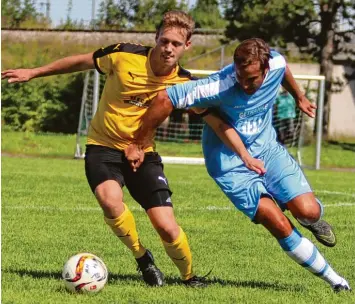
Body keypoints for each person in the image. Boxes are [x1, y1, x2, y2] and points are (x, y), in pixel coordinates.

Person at [1, 11, 265, 288]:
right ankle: (142, 258)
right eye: (164, 41)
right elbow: (81, 61)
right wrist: (34, 72)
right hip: (103, 146)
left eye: (176, 44)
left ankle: (189, 277)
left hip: (144, 154)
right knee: (110, 201)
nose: (168, 48)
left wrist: (245, 156)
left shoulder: (185, 85)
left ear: (187, 46)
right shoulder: (123, 55)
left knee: (166, 226)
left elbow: (217, 122)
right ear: (156, 38)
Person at [130, 38, 351, 292]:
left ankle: (311, 221)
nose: (244, 85)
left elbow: (283, 66)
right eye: (240, 77)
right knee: (276, 221)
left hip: (268, 150)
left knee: (308, 211)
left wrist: (299, 96)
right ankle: (336, 281)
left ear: (265, 70)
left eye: (252, 79)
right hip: (230, 165)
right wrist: (139, 143)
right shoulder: (219, 85)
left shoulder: (275, 63)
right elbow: (164, 98)